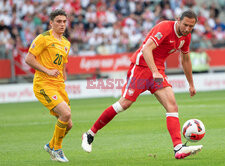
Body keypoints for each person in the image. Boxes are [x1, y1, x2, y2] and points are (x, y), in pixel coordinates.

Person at [82, 10, 203, 159]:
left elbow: (185, 60)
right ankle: (90, 134)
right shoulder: (165, 27)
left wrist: (191, 84)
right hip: (141, 68)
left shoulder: (186, 37)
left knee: (172, 106)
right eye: (185, 24)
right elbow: (146, 49)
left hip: (157, 71)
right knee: (124, 104)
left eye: (191, 26)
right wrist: (154, 72)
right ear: (178, 20)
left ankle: (178, 148)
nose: (187, 29)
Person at [25, 9, 71, 162]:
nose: (62, 24)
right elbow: (28, 59)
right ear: (51, 23)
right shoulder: (43, 38)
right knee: (66, 114)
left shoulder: (66, 43)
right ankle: (57, 150)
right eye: (58, 21)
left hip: (58, 85)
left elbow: (62, 64)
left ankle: (51, 146)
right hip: (43, 83)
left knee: (68, 124)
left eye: (64, 21)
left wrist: (63, 78)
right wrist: (47, 71)